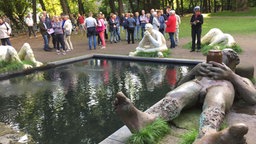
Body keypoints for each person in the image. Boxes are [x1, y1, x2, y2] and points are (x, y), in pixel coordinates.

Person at [115, 49, 256, 144]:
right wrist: (193, 72)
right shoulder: (201, 73)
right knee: (177, 94)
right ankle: (146, 119)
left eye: (224, 60)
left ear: (233, 63)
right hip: (197, 84)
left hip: (221, 88)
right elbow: (177, 86)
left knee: (216, 101)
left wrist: (231, 76)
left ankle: (208, 134)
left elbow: (253, 97)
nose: (217, 64)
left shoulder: (237, 78)